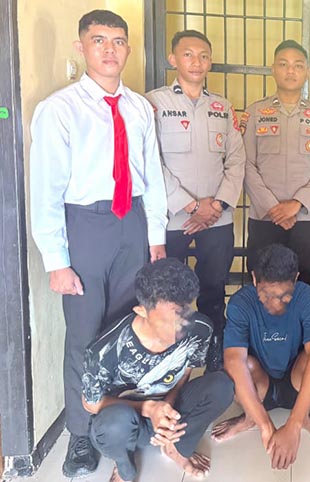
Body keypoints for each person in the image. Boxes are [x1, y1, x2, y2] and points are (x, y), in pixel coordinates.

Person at [29, 10, 168, 477]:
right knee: (85, 337)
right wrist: (56, 260)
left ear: (128, 48)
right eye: (99, 40)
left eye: (118, 41)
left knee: (130, 329)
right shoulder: (59, 109)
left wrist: (155, 237)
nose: (110, 50)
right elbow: (46, 190)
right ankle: (80, 435)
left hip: (133, 224)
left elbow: (152, 176)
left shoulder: (139, 108)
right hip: (85, 227)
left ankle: (122, 422)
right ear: (81, 47)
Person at [146, 30, 246, 372]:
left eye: (203, 56)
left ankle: (213, 356)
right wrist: (190, 205)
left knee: (214, 289)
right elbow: (149, 161)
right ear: (172, 59)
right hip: (172, 218)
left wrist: (217, 205)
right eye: (188, 54)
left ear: (210, 61)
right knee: (168, 293)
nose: (196, 62)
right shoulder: (154, 103)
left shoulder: (222, 107)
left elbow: (237, 160)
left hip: (217, 218)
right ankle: (169, 358)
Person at [83, 258, 234, 482]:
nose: (177, 330)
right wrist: (148, 409)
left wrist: (168, 408)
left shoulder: (200, 329)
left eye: (182, 317)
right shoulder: (105, 349)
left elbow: (185, 371)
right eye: (166, 321)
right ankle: (124, 467)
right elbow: (90, 403)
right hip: (128, 419)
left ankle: (175, 448)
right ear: (141, 311)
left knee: (222, 386)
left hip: (169, 408)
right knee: (111, 425)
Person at [212, 244, 310, 470]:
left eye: (284, 297)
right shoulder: (240, 303)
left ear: (295, 279)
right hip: (260, 385)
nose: (275, 305)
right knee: (236, 366)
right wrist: (266, 426)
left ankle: (304, 416)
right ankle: (251, 418)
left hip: (296, 382)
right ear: (254, 279)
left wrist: (294, 425)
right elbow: (234, 360)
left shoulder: (307, 297)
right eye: (266, 296)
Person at [242, 40, 310, 287]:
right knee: (262, 283)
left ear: (307, 72)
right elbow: (246, 165)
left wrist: (297, 204)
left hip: (305, 218)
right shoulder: (255, 113)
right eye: (284, 64)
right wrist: (273, 207)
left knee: (304, 281)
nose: (291, 71)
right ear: (273, 69)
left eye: (298, 65)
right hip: (265, 217)